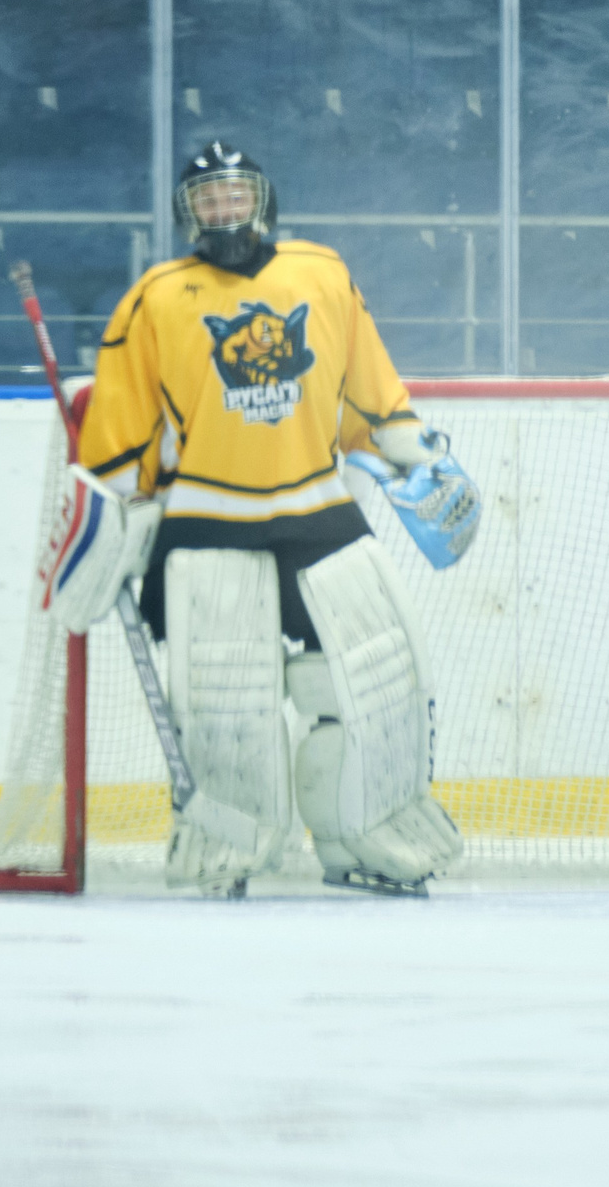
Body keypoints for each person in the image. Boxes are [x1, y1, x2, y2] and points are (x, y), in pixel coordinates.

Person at [65, 141, 475, 897]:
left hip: (318, 509)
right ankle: (229, 846)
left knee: (376, 683)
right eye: (209, 200)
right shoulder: (156, 296)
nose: (225, 210)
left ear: (262, 200)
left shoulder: (320, 274)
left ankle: (368, 837)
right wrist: (116, 518)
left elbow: (366, 380)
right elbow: (123, 423)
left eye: (235, 194)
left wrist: (407, 447)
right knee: (229, 705)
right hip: (208, 521)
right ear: (191, 214)